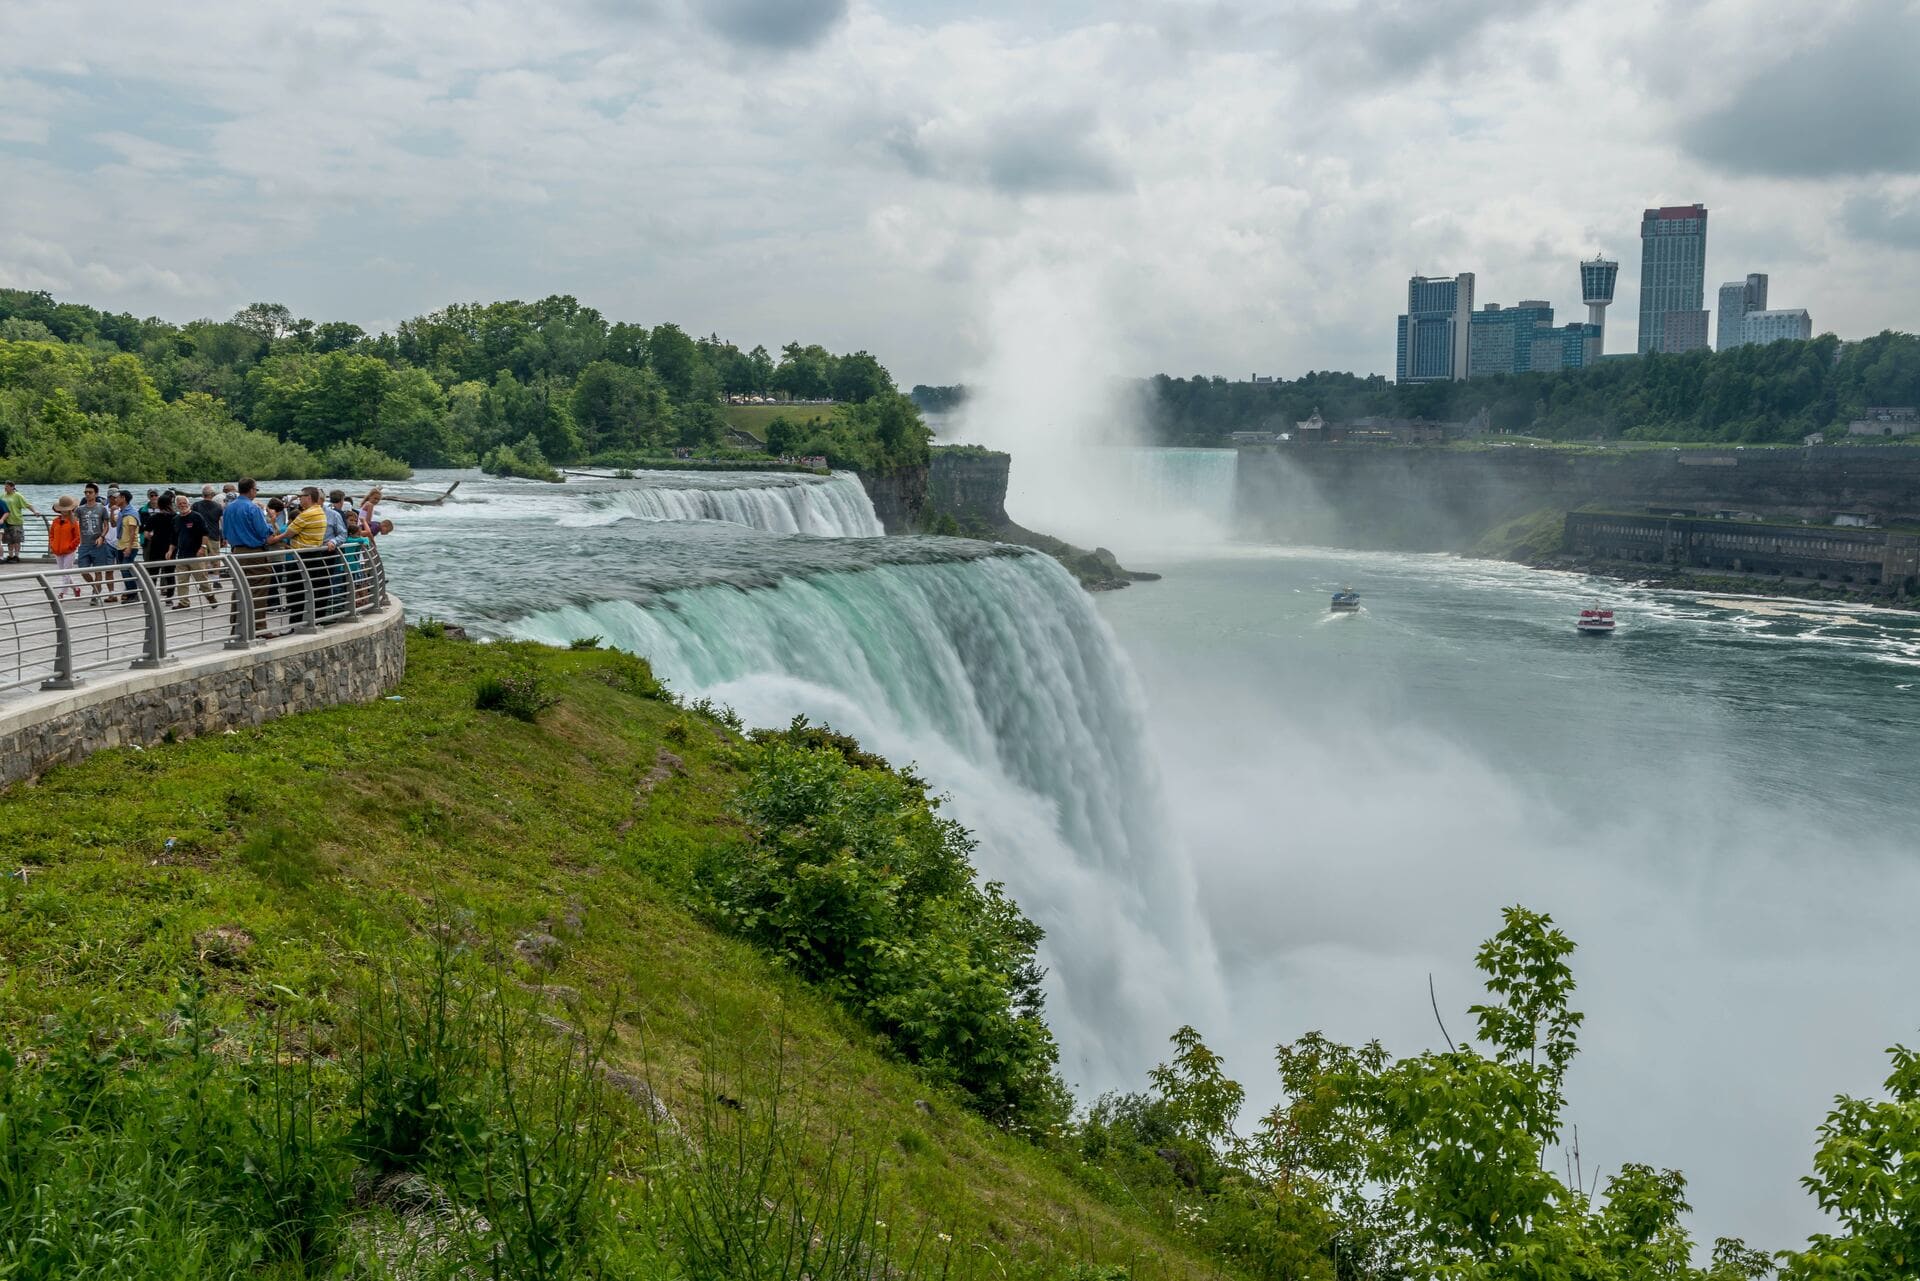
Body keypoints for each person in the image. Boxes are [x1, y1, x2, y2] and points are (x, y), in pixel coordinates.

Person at [221, 477, 277, 638]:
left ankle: (236, 626)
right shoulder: (253, 508)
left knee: (239, 588)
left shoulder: (229, 508)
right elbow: (262, 531)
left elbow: (224, 532)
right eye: (256, 489)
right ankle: (259, 627)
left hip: (236, 552)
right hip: (254, 552)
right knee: (258, 588)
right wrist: (270, 524)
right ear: (251, 490)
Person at [277, 486, 331, 622]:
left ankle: (296, 623)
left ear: (308, 497)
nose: (299, 499)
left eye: (301, 497)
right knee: (316, 591)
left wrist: (274, 539)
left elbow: (289, 532)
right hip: (315, 555)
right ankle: (316, 621)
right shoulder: (319, 511)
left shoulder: (307, 514)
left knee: (296, 592)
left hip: (303, 557)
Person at [170, 493, 218, 609]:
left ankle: (210, 596)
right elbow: (174, 537)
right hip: (181, 555)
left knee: (201, 579)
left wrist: (203, 547)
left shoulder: (196, 517)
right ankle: (183, 602)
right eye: (179, 504)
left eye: (184, 503)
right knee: (181, 581)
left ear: (188, 504)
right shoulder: (176, 519)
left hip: (196, 554)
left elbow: (205, 533)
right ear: (176, 506)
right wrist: (170, 550)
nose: (182, 505)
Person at [74, 482, 114, 603]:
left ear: (96, 494)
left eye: (90, 492)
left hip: (98, 544)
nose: (87, 494)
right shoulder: (80, 509)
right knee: (82, 570)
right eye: (85, 492)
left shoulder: (101, 508)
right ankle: (96, 587)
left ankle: (95, 595)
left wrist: (102, 536)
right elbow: (74, 522)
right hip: (85, 544)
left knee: (98, 570)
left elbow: (106, 525)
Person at [146, 488, 177, 600]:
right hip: (171, 546)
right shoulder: (175, 517)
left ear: (159, 505)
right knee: (170, 572)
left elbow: (146, 534)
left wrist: (153, 536)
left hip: (156, 546)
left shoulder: (154, 517)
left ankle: (152, 596)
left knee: (153, 571)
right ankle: (169, 597)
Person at [110, 491, 141, 602]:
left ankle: (134, 594)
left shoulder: (131, 513)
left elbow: (133, 532)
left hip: (129, 546)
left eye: (117, 498)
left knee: (126, 569)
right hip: (120, 545)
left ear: (123, 498)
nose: (115, 500)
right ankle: (129, 593)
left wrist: (129, 547)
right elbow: (113, 524)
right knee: (124, 570)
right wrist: (112, 512)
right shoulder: (121, 512)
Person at [48, 496, 81, 595]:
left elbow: (78, 537)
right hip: (57, 551)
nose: (64, 511)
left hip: (69, 551)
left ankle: (62, 593)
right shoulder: (55, 521)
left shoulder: (74, 522)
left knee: (65, 573)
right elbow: (51, 535)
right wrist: (52, 545)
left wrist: (70, 547)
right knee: (63, 572)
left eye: (66, 509)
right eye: (62, 509)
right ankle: (76, 588)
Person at [2, 480, 38, 563]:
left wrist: (35, 512)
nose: (5, 488)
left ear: (12, 487)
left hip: (16, 521)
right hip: (6, 521)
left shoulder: (18, 496)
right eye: (5, 486)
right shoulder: (2, 496)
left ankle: (16, 556)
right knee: (9, 541)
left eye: (7, 486)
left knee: (16, 540)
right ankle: (10, 556)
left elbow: (27, 504)